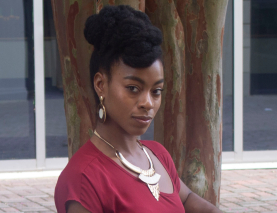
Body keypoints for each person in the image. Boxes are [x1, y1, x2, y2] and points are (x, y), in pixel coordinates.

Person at [55, 5, 222, 213]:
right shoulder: (83, 179)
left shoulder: (157, 155)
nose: (148, 103)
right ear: (101, 84)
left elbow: (186, 199)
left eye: (156, 91)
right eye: (133, 88)